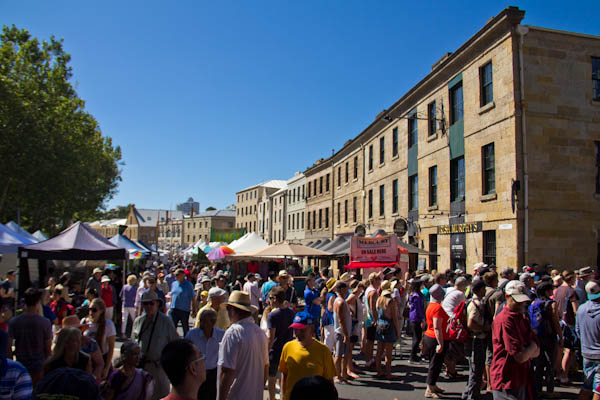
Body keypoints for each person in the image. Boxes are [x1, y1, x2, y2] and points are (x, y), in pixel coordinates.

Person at [490, 280, 540, 400]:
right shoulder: (504, 320)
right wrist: (531, 348)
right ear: (507, 297)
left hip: (521, 376)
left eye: (523, 302)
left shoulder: (522, 317)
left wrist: (529, 350)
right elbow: (520, 356)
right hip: (507, 378)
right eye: (517, 301)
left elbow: (536, 351)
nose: (521, 304)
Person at [217, 291, 268, 400]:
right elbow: (265, 367)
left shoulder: (233, 333)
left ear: (232, 311)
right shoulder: (260, 332)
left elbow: (227, 372)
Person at [132, 290, 180, 400]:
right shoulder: (138, 322)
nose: (148, 306)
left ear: (157, 304)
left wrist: (166, 362)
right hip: (141, 368)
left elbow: (175, 345)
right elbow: (133, 344)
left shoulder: (166, 322)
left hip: (158, 369)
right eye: (145, 304)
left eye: (151, 303)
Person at [279, 311, 336, 400]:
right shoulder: (287, 347)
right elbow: (284, 375)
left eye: (302, 330)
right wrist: (283, 396)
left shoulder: (323, 351)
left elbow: (329, 381)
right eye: (295, 329)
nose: (297, 333)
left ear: (312, 329)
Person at [8, 288, 52, 385]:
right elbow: (48, 350)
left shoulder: (14, 322)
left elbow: (9, 348)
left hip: (20, 365)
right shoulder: (45, 323)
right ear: (38, 302)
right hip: (38, 367)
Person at [185, 309, 224, 400]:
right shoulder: (192, 335)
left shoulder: (221, 335)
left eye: (204, 321)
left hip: (214, 374)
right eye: (201, 320)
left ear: (213, 322)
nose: (201, 323)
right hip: (196, 374)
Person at [266, 286, 294, 400]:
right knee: (284, 377)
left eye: (270, 298)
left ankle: (272, 398)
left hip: (275, 351)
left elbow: (271, 337)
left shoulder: (272, 315)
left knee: (271, 378)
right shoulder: (291, 312)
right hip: (287, 349)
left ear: (274, 299)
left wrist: (265, 351)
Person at [462, 279, 489, 400]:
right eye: (484, 289)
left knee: (475, 369)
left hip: (475, 339)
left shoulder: (473, 302)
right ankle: (472, 396)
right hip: (475, 339)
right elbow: (471, 322)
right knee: (476, 370)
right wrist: (483, 328)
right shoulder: (475, 304)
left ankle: (468, 393)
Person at [423, 284, 449, 399]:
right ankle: (429, 388)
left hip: (430, 336)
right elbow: (437, 327)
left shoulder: (431, 305)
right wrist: (440, 343)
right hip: (434, 337)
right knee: (435, 363)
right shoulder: (437, 307)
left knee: (435, 363)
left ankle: (433, 385)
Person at [576, 280, 600, 400]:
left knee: (587, 385)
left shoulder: (581, 309)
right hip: (598, 354)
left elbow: (578, 331)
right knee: (598, 390)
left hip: (586, 353)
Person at [62, 315, 105, 383]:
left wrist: (94, 378)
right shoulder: (59, 343)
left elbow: (99, 363)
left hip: (84, 380)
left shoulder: (89, 343)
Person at [554, 271, 579, 385]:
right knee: (569, 350)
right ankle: (564, 375)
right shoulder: (571, 291)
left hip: (559, 321)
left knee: (560, 349)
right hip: (568, 322)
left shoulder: (558, 289)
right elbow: (576, 310)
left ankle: (558, 374)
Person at [82, 298, 116, 380]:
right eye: (89, 309)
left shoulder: (108, 325)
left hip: (101, 360)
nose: (91, 312)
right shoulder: (84, 322)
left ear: (101, 311)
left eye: (94, 310)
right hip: (86, 360)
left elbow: (111, 348)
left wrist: (106, 368)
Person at [374, 281, 399, 380]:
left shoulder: (379, 299)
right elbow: (394, 317)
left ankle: (379, 371)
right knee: (388, 352)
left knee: (379, 350)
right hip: (389, 325)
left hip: (380, 324)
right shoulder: (391, 301)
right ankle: (388, 373)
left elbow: (376, 311)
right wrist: (397, 331)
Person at [332, 281, 352, 383]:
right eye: (346, 288)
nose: (348, 290)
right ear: (342, 290)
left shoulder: (340, 301)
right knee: (339, 355)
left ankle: (343, 374)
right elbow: (341, 320)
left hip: (343, 331)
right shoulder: (340, 302)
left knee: (344, 354)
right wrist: (345, 334)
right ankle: (336, 375)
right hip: (341, 332)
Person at [363, 272, 381, 370]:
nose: (380, 281)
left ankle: (368, 359)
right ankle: (369, 360)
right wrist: (375, 319)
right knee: (371, 341)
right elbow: (372, 307)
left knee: (369, 341)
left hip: (368, 319)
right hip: (371, 319)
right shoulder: (373, 292)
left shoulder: (368, 290)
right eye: (378, 279)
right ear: (374, 280)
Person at [169, 269, 194, 337]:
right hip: (174, 309)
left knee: (185, 328)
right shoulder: (174, 284)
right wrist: (170, 306)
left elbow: (193, 298)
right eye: (175, 275)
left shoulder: (189, 285)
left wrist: (194, 309)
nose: (175, 277)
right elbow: (172, 295)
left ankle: (186, 342)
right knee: (172, 327)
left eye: (177, 275)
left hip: (184, 310)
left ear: (183, 275)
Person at [408, 278, 425, 363]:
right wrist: (422, 318)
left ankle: (413, 355)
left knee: (416, 337)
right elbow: (418, 309)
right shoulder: (417, 296)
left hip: (413, 317)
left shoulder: (413, 295)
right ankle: (412, 356)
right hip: (416, 317)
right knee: (417, 337)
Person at [120, 274, 138, 339]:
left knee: (124, 319)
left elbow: (121, 295)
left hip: (125, 304)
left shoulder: (124, 287)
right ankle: (133, 333)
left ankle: (123, 333)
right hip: (132, 305)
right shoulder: (134, 288)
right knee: (134, 320)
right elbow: (135, 297)